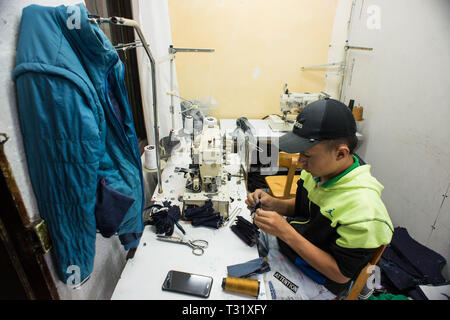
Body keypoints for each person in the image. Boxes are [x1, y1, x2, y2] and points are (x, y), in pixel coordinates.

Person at [246, 98, 394, 299]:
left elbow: (340, 275)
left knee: (251, 295)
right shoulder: (318, 171)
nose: (300, 161)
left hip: (318, 279)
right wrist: (274, 204)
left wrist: (286, 232)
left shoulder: (364, 210)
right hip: (293, 249)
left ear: (341, 154)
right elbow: (304, 209)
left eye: (307, 155)